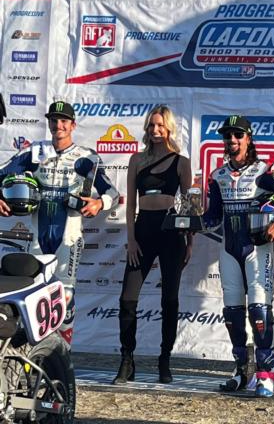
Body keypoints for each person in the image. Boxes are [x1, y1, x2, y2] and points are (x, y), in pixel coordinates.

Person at [0, 100, 119, 346]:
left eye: (63, 121)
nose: (58, 125)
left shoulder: (86, 157)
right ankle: (31, 353)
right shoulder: (34, 151)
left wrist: (99, 204)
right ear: (49, 123)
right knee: (30, 293)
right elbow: (2, 174)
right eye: (54, 120)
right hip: (35, 235)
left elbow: (112, 191)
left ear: (73, 125)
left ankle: (62, 353)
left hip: (69, 237)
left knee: (65, 295)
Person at [203, 115, 274, 398]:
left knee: (259, 313)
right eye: (227, 137)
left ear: (249, 139)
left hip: (257, 251)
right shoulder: (217, 176)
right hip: (229, 251)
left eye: (238, 136)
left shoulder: (268, 170)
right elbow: (212, 217)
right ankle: (241, 371)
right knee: (232, 315)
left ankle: (266, 374)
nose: (232, 141)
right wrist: (186, 222)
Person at [113, 105, 193, 385]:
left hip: (172, 234)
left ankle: (164, 360)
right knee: (127, 299)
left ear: (169, 128)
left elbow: (189, 207)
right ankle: (127, 359)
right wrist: (131, 239)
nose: (155, 131)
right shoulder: (136, 160)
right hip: (144, 230)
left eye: (160, 126)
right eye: (151, 126)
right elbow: (131, 204)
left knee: (169, 300)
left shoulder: (181, 162)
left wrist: (190, 240)